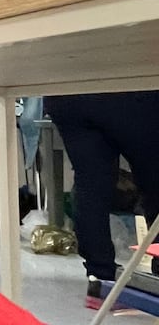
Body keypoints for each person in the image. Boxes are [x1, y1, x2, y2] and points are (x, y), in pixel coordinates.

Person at [43, 92, 159, 309]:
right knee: (155, 180)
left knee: (90, 184)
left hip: (68, 92)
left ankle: (99, 279)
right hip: (129, 90)